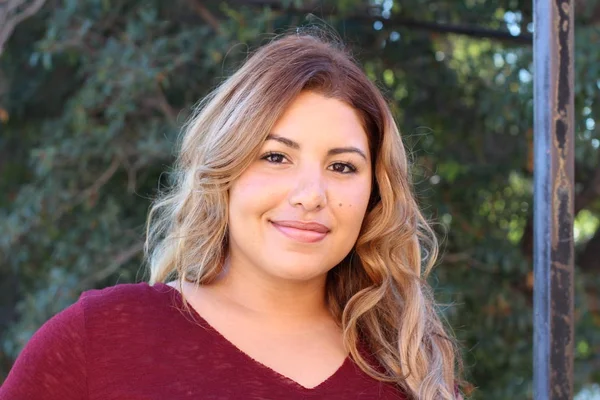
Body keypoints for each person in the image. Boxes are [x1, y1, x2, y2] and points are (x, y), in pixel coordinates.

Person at [0, 29, 463, 399]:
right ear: (225, 170)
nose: (310, 195)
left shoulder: (414, 370)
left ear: (374, 196)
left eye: (342, 166)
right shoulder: (99, 339)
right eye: (276, 157)